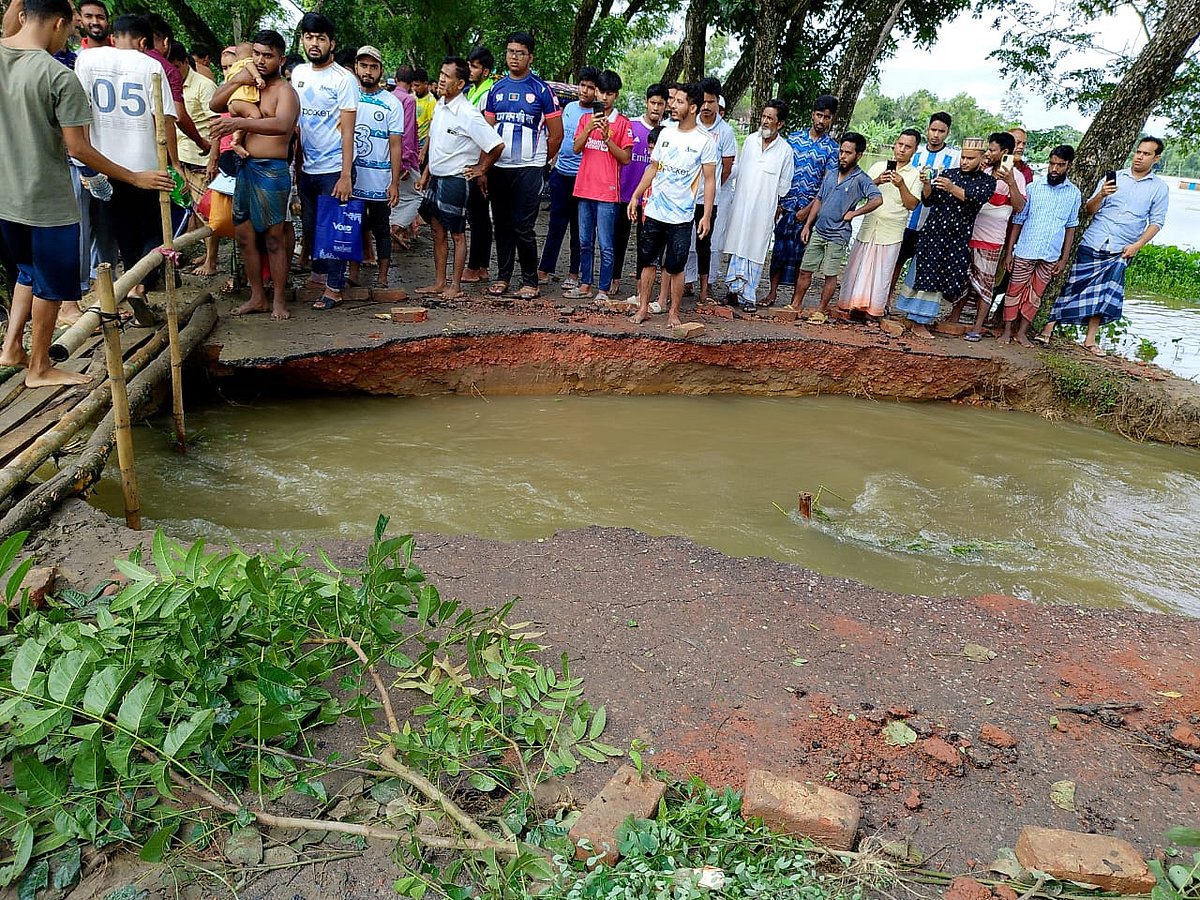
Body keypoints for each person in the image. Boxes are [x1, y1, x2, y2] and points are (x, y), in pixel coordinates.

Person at [0, 0, 172, 387]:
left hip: (5, 197)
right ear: (59, 23)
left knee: (26, 271)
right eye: (71, 28)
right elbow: (79, 148)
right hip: (46, 199)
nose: (70, 37)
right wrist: (134, 177)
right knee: (51, 283)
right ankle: (40, 366)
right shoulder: (58, 76)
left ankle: (11, 348)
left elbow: (10, 26)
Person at [75, 14, 178, 309]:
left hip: (106, 165)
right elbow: (164, 120)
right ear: (144, 42)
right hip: (146, 165)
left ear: (113, 37)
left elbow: (79, 112)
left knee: (125, 234)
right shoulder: (151, 65)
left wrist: (86, 161)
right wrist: (175, 163)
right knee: (156, 233)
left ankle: (134, 285)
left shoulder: (87, 60)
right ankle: (139, 286)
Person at [1040, 137, 1169, 353]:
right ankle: (1047, 329)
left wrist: (1138, 245)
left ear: (1156, 158)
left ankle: (1090, 340)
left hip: (1121, 248)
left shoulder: (1159, 188)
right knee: (1071, 284)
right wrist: (1101, 194)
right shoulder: (1116, 177)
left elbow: (1157, 222)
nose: (1139, 157)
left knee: (1104, 295)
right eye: (1138, 152)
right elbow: (1089, 210)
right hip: (1094, 239)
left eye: (1146, 154)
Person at [209, 30, 299, 319]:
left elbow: (282, 125)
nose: (261, 60)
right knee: (245, 235)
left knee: (274, 237)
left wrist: (237, 123)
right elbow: (215, 104)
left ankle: (279, 300)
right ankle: (257, 296)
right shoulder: (246, 82)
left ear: (280, 59)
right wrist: (237, 79)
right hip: (245, 168)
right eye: (257, 54)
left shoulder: (285, 91)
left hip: (272, 169)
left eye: (268, 56)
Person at [627, 82, 716, 328]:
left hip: (682, 216)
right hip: (655, 211)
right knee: (647, 261)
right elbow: (653, 168)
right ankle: (643, 308)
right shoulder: (665, 133)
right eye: (673, 100)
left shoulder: (705, 141)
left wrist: (706, 215)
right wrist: (636, 195)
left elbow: (710, 180)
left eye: (679, 101)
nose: (672, 105)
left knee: (676, 266)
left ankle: (673, 313)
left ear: (693, 107)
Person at [415, 56, 503, 300]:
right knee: (436, 230)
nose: (442, 79)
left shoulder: (468, 113)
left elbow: (496, 145)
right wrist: (425, 175)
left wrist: (481, 169)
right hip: (437, 176)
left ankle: (455, 285)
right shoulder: (440, 105)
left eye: (447, 76)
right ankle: (439, 282)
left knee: (457, 233)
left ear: (461, 83)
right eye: (441, 74)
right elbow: (437, 145)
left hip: (456, 178)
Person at [483, 31, 562, 299]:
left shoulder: (541, 90)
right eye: (510, 51)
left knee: (523, 226)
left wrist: (540, 163)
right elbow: (487, 132)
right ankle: (503, 277)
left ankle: (530, 280)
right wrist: (484, 168)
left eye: (520, 53)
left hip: (530, 168)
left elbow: (556, 135)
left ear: (530, 57)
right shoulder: (496, 89)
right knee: (502, 225)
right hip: (499, 168)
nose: (514, 57)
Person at [894, 137, 995, 339]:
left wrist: (951, 188)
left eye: (970, 158)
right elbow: (929, 200)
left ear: (981, 158)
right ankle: (914, 320)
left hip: (955, 239)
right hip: (932, 232)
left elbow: (974, 199)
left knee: (938, 278)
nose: (964, 161)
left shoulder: (987, 181)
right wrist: (926, 184)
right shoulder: (949, 174)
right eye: (963, 157)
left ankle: (921, 319)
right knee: (922, 273)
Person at [291, 13, 357, 310]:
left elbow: (348, 130)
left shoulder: (343, 79)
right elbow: (296, 123)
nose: (314, 43)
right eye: (309, 37)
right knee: (310, 227)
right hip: (308, 166)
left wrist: (346, 174)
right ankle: (319, 277)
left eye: (320, 38)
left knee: (335, 229)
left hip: (334, 167)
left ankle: (335, 287)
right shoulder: (298, 74)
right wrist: (297, 166)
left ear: (332, 43)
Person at [785, 132, 882, 322]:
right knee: (805, 269)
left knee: (829, 274)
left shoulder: (861, 179)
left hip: (838, 234)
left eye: (848, 153)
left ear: (859, 155)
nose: (843, 156)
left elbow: (877, 199)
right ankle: (795, 304)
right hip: (819, 230)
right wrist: (807, 225)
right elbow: (819, 200)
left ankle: (821, 310)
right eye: (841, 151)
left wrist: (855, 213)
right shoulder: (830, 174)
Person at [993, 145, 1081, 346]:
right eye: (1052, 164)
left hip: (1051, 255)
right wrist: (1010, 252)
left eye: (1060, 165)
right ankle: (1006, 331)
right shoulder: (1033, 188)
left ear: (1069, 165)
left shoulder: (1074, 194)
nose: (1054, 169)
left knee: (1035, 296)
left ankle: (1022, 333)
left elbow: (1071, 227)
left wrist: (1064, 258)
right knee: (1013, 291)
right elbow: (1018, 220)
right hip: (1025, 250)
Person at [836, 128, 922, 322]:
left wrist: (901, 185)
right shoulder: (878, 166)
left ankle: (872, 312)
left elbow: (912, 205)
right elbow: (858, 193)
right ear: (894, 145)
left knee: (881, 273)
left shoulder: (914, 174)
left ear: (914, 150)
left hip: (891, 231)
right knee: (858, 267)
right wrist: (876, 181)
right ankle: (850, 306)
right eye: (900, 144)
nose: (902, 150)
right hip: (869, 225)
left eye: (907, 147)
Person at [763, 94, 838, 307]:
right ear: (812, 114)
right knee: (778, 252)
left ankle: (795, 301)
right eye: (819, 115)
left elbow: (827, 185)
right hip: (786, 205)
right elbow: (781, 173)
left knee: (801, 257)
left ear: (831, 119)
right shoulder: (794, 140)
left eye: (826, 117)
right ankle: (772, 293)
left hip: (810, 208)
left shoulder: (832, 149)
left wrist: (809, 211)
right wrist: (778, 202)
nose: (821, 121)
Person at [565, 69, 632, 302]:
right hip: (584, 189)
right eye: (601, 91)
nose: (604, 97)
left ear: (616, 95)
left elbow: (626, 158)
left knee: (606, 244)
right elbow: (576, 148)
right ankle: (585, 285)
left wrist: (607, 139)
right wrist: (589, 129)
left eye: (609, 93)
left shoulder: (622, 123)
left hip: (607, 193)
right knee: (584, 241)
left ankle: (603, 290)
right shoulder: (586, 119)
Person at [951, 131, 1027, 335]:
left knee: (985, 284)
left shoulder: (1017, 177)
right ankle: (953, 318)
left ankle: (977, 327)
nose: (988, 153)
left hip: (992, 239)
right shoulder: (982, 171)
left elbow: (1019, 207)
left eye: (992, 150)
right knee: (964, 279)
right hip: (969, 232)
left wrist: (1010, 181)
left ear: (1004, 152)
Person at [722, 99, 794, 312]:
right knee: (737, 243)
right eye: (763, 116)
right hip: (741, 205)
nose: (764, 121)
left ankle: (748, 296)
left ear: (780, 123)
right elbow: (738, 170)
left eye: (770, 118)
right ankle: (732, 291)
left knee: (755, 249)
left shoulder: (785, 151)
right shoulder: (750, 141)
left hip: (763, 211)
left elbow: (784, 186)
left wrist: (773, 204)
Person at [537, 65, 597, 288]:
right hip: (560, 173)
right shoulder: (569, 108)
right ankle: (545, 269)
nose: (585, 90)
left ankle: (574, 273)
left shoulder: (597, 116)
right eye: (582, 85)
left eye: (590, 87)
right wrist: (553, 163)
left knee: (579, 228)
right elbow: (559, 137)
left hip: (583, 178)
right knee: (556, 223)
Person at [347, 45, 403, 289]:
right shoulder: (347, 97)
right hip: (352, 178)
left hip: (380, 180)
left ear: (381, 70)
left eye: (373, 67)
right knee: (354, 226)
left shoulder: (392, 103)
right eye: (363, 66)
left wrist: (394, 183)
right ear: (356, 67)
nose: (368, 71)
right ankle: (353, 273)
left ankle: (382, 276)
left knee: (381, 228)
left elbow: (396, 145)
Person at [167, 40, 220, 276]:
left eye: (176, 67)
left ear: (185, 62)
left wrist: (213, 158)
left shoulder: (204, 86)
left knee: (209, 212)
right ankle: (206, 253)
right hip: (180, 157)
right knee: (195, 211)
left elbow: (217, 124)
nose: (173, 72)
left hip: (201, 158)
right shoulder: (169, 86)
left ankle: (212, 260)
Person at [890, 111, 959, 294]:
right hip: (906, 219)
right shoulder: (915, 152)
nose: (936, 135)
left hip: (932, 223)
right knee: (896, 261)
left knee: (921, 266)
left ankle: (909, 305)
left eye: (941, 131)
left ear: (948, 133)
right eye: (933, 130)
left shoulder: (954, 157)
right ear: (927, 129)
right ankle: (886, 298)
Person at [684, 76, 736, 304]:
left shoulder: (725, 132)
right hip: (684, 196)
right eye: (703, 101)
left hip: (708, 200)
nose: (706, 106)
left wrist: (710, 189)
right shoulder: (689, 124)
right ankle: (684, 282)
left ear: (718, 102)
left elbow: (726, 168)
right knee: (682, 241)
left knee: (704, 243)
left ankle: (705, 289)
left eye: (711, 102)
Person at [613, 82, 666, 297]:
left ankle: (639, 282)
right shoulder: (630, 125)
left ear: (665, 106)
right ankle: (615, 277)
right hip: (625, 193)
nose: (656, 107)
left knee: (645, 243)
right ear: (646, 103)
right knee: (619, 238)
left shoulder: (667, 133)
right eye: (653, 103)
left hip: (651, 199)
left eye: (660, 104)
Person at [144, 14, 209, 157]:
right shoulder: (167, 69)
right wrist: (201, 143)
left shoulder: (118, 61)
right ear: (166, 42)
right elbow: (178, 116)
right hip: (151, 150)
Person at [463, 45, 497, 283]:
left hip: (482, 163)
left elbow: (487, 132)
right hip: (474, 161)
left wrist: (483, 168)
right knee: (477, 215)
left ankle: (477, 266)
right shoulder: (473, 90)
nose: (469, 70)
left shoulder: (487, 93)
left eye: (473, 67)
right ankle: (480, 265)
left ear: (485, 71)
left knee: (479, 216)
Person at [390, 64, 422, 249]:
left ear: (395, 79)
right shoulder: (409, 101)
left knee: (396, 195)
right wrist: (406, 162)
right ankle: (397, 226)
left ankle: (397, 228)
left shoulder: (389, 97)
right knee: (418, 196)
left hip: (387, 156)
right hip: (404, 157)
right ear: (412, 83)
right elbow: (408, 132)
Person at [412, 67, 435, 145]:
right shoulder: (412, 97)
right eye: (413, 85)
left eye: (417, 85)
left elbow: (432, 128)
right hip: (412, 140)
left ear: (425, 84)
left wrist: (424, 149)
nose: (415, 88)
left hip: (422, 142)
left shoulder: (431, 101)